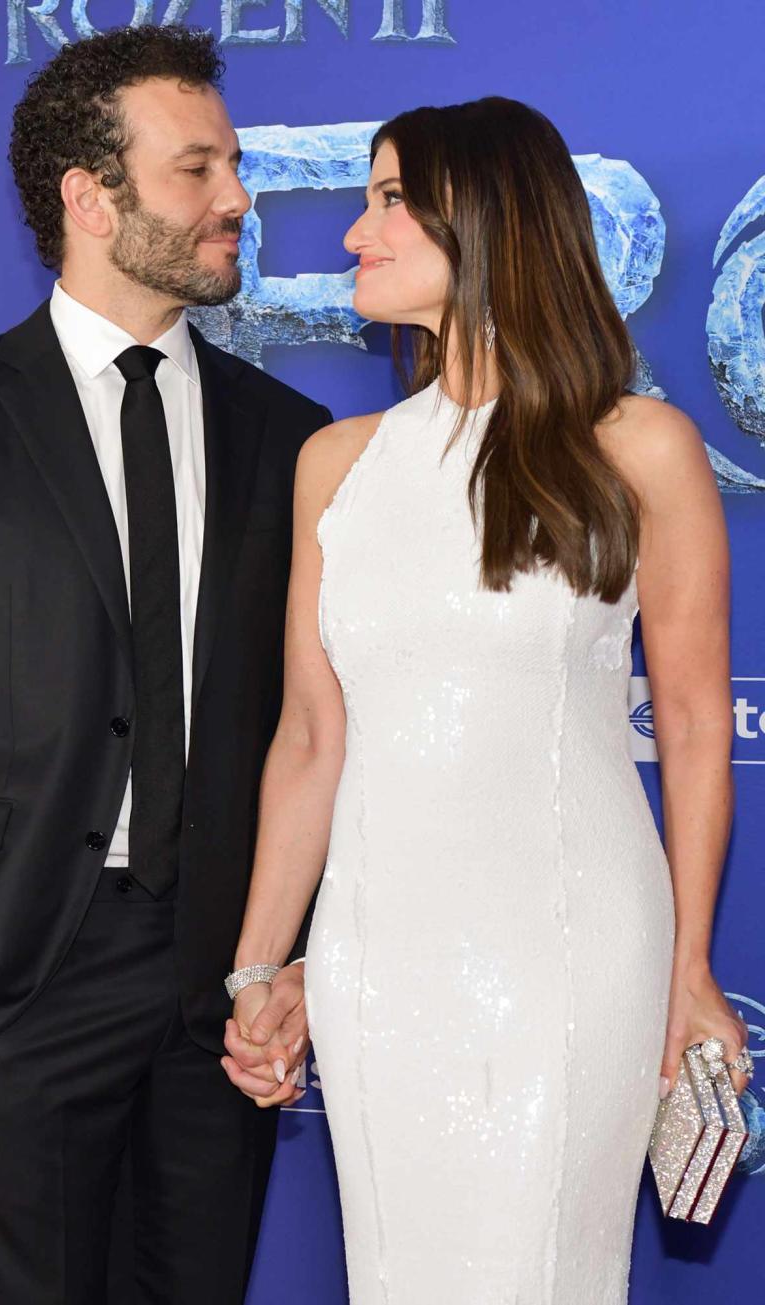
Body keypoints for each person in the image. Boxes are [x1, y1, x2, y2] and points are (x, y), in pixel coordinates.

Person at [221, 97, 753, 1302]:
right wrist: (261, 973)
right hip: (376, 967)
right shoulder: (337, 467)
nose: (354, 234)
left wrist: (688, 967)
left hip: (566, 955)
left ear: (493, 219)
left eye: (390, 199)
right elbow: (312, 736)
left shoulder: (640, 448)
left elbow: (692, 723)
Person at [0, 25, 318, 1304]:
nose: (237, 200)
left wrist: (286, 958)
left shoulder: (292, 436)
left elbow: (313, 728)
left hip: (226, 974)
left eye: (235, 165)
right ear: (90, 201)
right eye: (197, 169)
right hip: (24, 966)